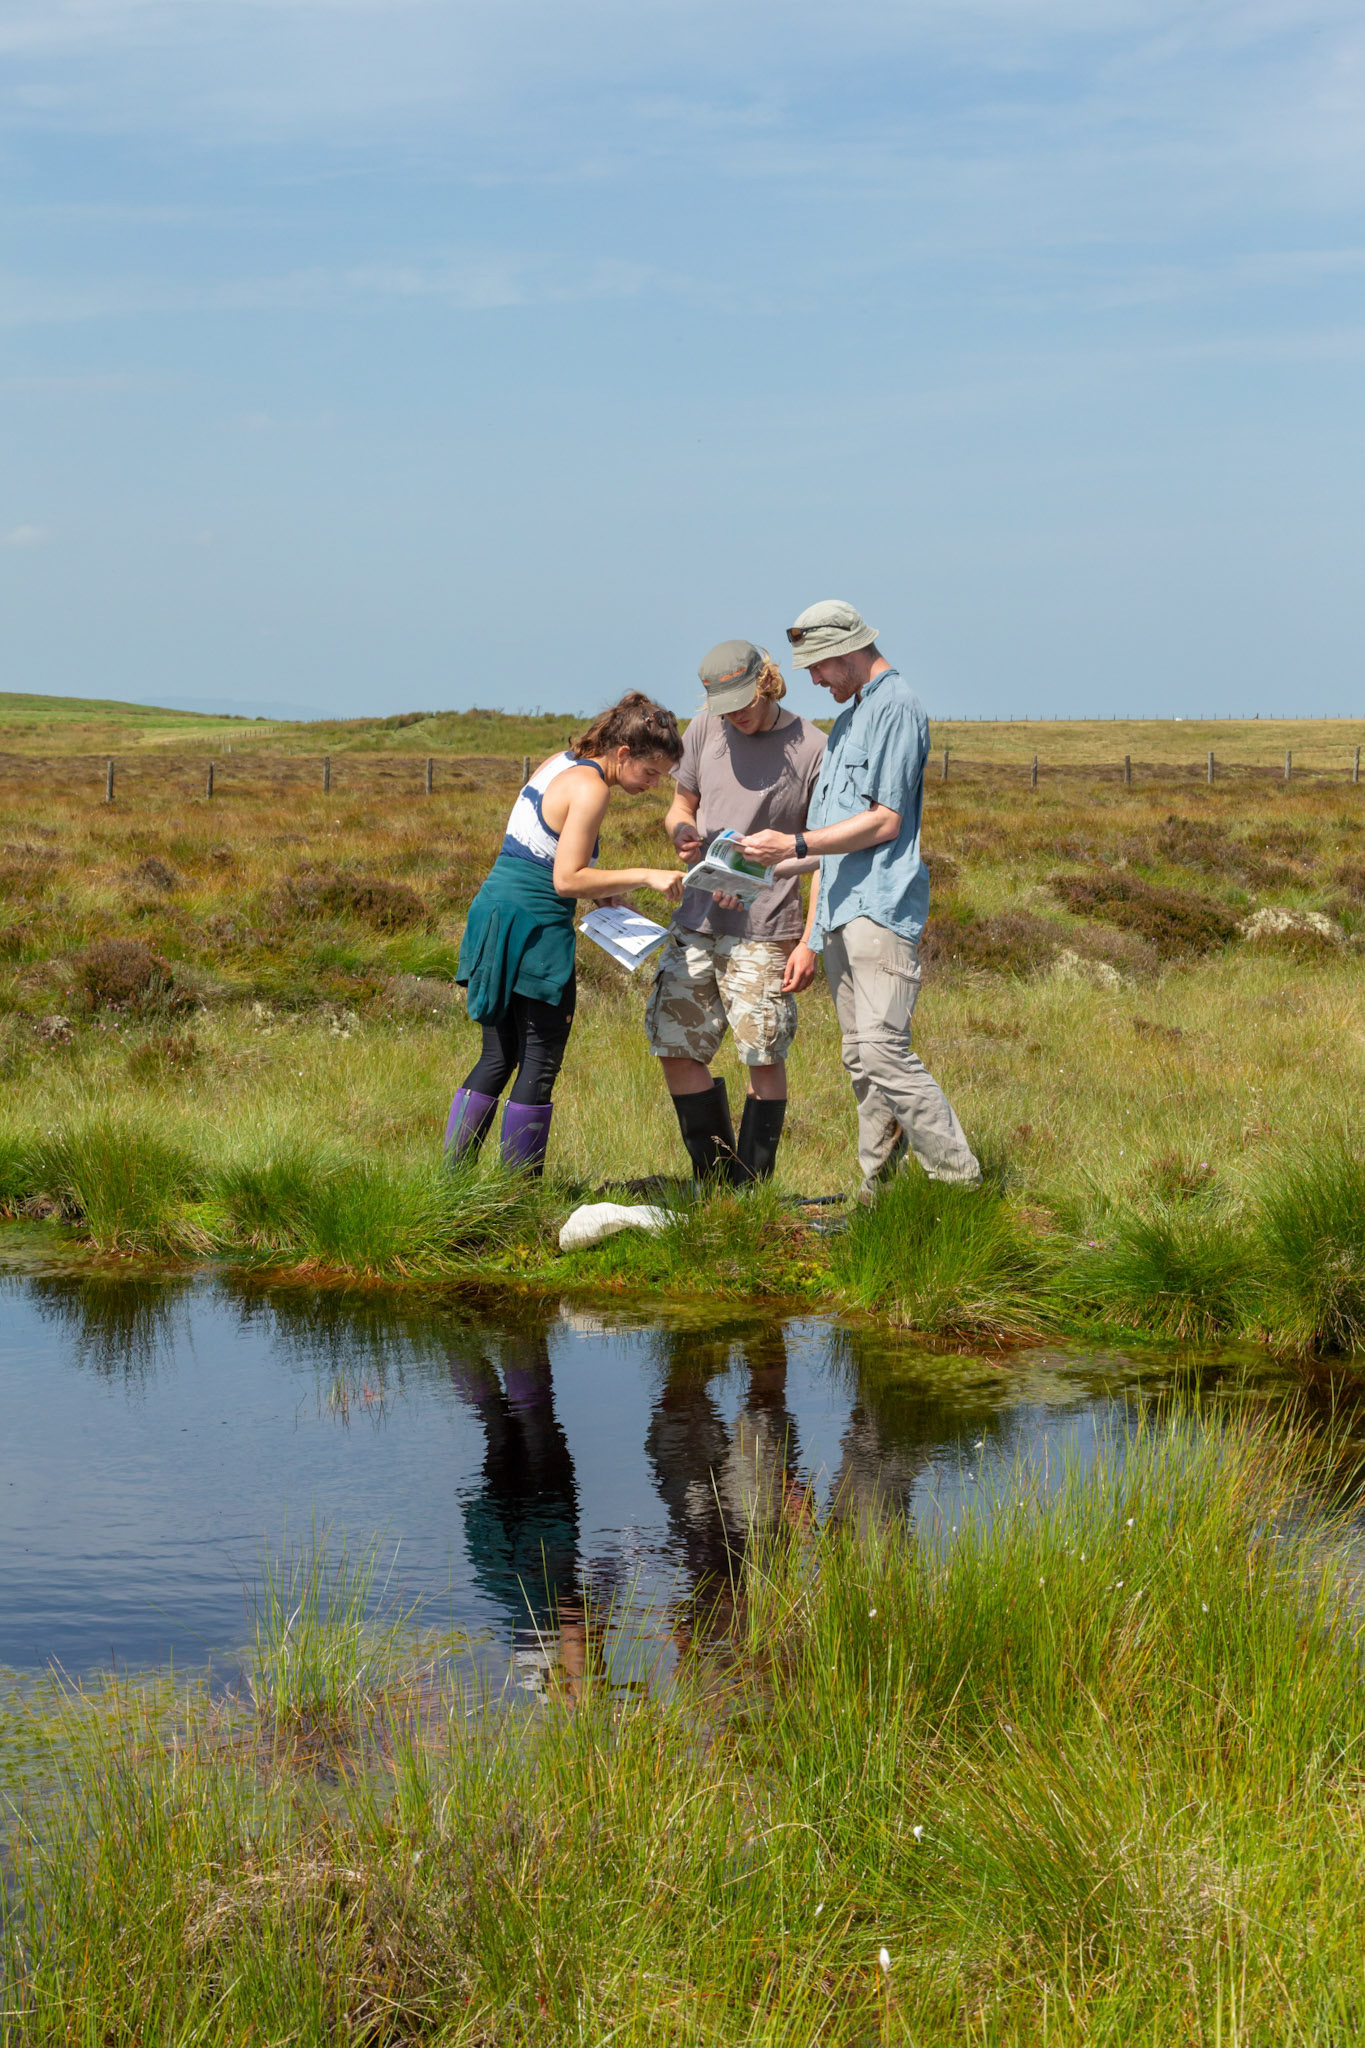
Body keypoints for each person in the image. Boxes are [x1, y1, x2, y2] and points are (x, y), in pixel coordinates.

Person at [739, 599, 980, 1195]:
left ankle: (962, 1185)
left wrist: (793, 839)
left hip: (881, 909)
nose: (815, 681)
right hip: (841, 913)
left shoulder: (897, 707)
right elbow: (829, 845)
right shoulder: (851, 719)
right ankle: (879, 1200)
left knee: (882, 1050)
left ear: (846, 651)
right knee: (862, 1063)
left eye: (818, 667)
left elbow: (885, 821)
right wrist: (750, 862)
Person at [446, 693, 685, 1177]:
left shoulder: (563, 762)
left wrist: (610, 900)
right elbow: (565, 880)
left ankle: (452, 1182)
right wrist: (645, 874)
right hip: (534, 926)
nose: (655, 784)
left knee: (498, 1055)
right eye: (652, 773)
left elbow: (545, 851)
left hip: (496, 914)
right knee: (540, 1058)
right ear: (623, 754)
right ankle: (520, 1194)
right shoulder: (592, 788)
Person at [646, 640, 826, 1184]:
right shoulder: (703, 729)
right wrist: (679, 830)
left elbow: (823, 851)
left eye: (743, 702)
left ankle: (751, 1193)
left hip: (767, 931)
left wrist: (808, 941)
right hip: (696, 922)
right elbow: (683, 805)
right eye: (723, 707)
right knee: (673, 1045)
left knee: (762, 1053)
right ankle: (716, 1181)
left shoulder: (814, 746)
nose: (735, 715)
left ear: (766, 680)